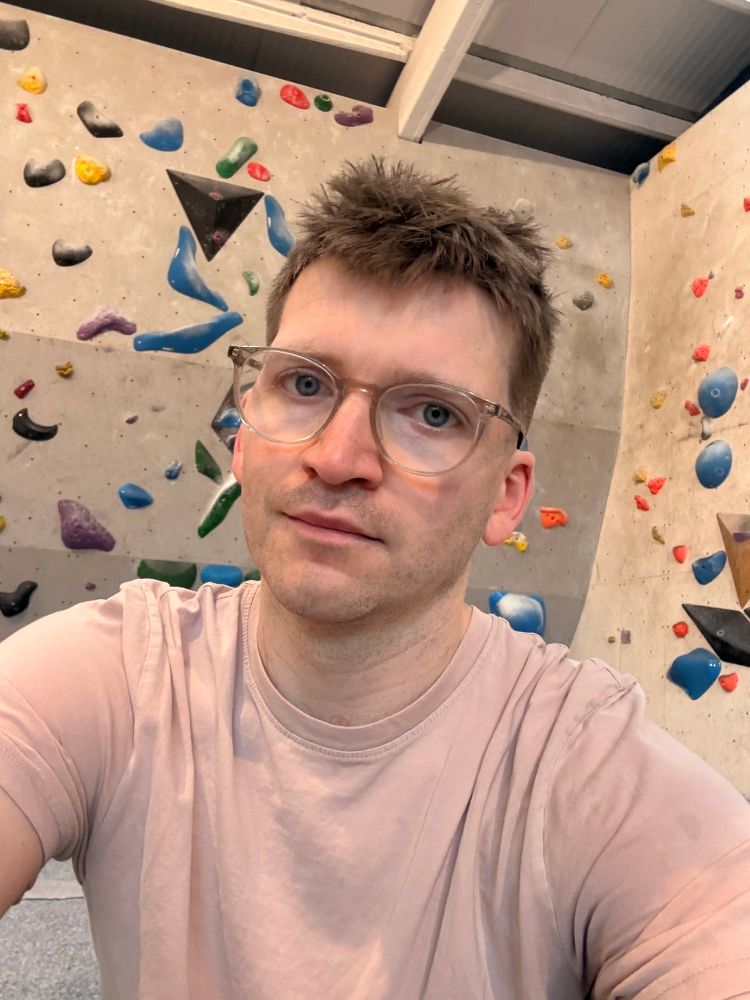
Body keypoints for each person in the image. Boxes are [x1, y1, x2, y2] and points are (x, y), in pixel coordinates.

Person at [0, 158, 749, 1000]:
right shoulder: (121, 678)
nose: (338, 457)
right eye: (304, 384)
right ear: (244, 439)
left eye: (433, 413)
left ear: (508, 497)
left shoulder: (588, 774)